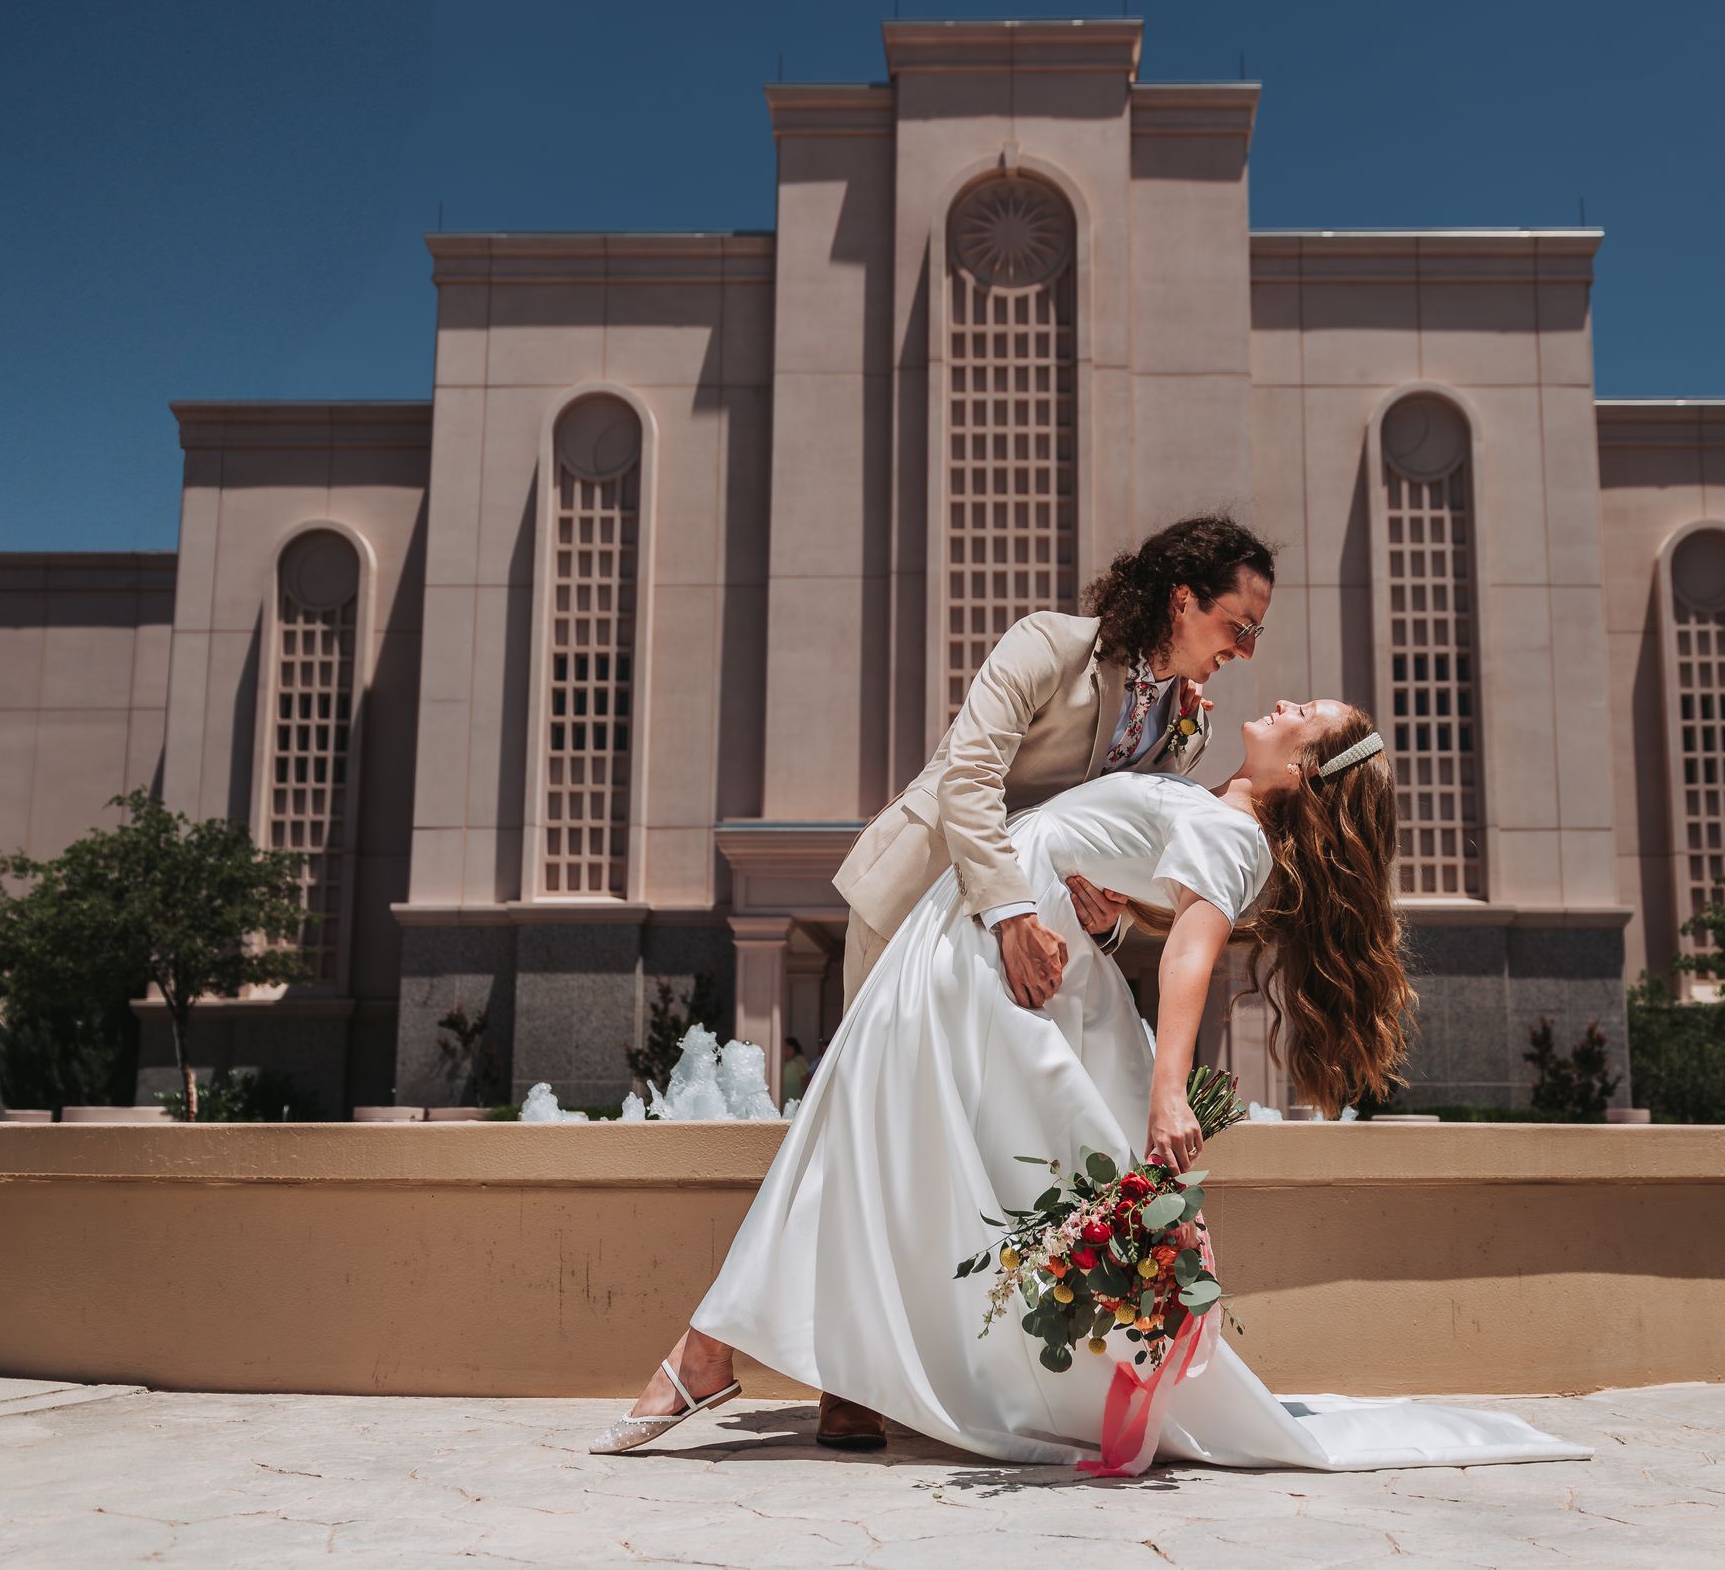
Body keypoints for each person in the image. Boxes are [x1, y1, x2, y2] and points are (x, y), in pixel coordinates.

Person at [592, 703, 1590, 1472]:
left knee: (857, 1122)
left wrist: (1168, 1090)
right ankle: (752, 1357)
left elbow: (1190, 960)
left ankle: (714, 1353)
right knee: (864, 1130)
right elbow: (1130, 898)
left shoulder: (1236, 838)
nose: (1283, 702)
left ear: (1298, 774)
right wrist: (1102, 902)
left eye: (1304, 717)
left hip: (993, 966)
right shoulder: (1215, 812)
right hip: (992, 937)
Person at [805, 512, 1273, 1448]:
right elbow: (968, 779)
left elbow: (1118, 854)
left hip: (1023, 961)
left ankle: (947, 1366)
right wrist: (1014, 912)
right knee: (880, 1130)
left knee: (970, 1147)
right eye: (1239, 625)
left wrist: (1104, 917)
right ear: (1183, 600)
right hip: (923, 907)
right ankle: (844, 1382)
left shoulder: (1181, 729)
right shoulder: (1047, 646)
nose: (1245, 651)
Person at [777, 1036, 808, 1108]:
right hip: (782, 1101)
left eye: (786, 1048)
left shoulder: (799, 1060)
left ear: (793, 1048)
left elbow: (806, 1080)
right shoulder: (781, 1061)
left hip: (795, 1101)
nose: (784, 1051)